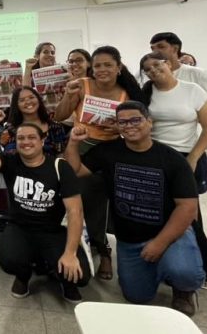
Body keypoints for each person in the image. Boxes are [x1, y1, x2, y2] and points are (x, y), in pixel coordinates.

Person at [64, 101, 204, 316]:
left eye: (135, 120)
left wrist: (160, 242)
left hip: (167, 233)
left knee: (182, 270)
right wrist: (73, 142)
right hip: (130, 240)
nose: (129, 126)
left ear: (149, 122)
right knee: (136, 296)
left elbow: (187, 208)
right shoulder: (108, 152)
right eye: (122, 122)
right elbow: (76, 170)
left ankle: (183, 290)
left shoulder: (172, 159)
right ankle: (159, 268)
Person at [0, 109, 91, 303]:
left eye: (31, 137)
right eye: (21, 138)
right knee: (9, 260)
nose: (26, 142)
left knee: (81, 276)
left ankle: (65, 281)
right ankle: (23, 275)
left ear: (42, 141)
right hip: (20, 227)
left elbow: (75, 211)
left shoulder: (60, 167)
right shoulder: (11, 162)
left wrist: (70, 253)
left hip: (53, 231)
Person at [54, 45, 144, 281]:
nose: (102, 70)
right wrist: (68, 94)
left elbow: (139, 124)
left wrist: (120, 127)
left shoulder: (127, 91)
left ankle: (102, 249)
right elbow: (60, 116)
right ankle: (70, 246)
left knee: (98, 204)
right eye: (98, 65)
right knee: (70, 200)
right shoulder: (82, 85)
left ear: (118, 67)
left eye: (108, 65)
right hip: (78, 147)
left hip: (110, 151)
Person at [140, 52, 207, 289]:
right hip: (154, 158)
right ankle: (160, 260)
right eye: (148, 69)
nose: (153, 70)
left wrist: (194, 158)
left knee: (189, 216)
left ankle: (202, 268)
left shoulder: (193, 90)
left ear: (169, 64)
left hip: (187, 157)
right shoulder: (146, 93)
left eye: (157, 65)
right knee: (158, 213)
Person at [149, 32, 207, 117]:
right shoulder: (149, 75)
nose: (155, 51)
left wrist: (197, 117)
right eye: (152, 48)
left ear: (175, 49)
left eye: (161, 47)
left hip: (194, 134)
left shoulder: (196, 73)